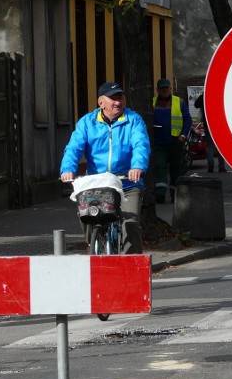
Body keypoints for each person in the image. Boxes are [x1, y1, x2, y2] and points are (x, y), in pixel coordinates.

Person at [60, 81, 151, 254]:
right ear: (101, 102)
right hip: (97, 183)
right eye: (113, 98)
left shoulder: (133, 120)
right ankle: (93, 245)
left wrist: (137, 166)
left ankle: (132, 269)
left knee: (130, 224)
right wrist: (67, 169)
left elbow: (141, 145)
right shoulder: (87, 122)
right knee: (86, 214)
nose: (118, 102)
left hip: (127, 183)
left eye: (120, 98)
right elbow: (74, 147)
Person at [152, 78, 193, 203]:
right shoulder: (152, 103)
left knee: (176, 168)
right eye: (162, 88)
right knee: (160, 167)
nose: (165, 90)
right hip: (158, 142)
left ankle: (175, 193)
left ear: (171, 89)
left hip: (176, 142)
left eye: (167, 88)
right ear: (157, 90)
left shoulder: (179, 102)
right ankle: (160, 194)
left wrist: (183, 135)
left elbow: (188, 120)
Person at [194, 93, 226, 172]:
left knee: (209, 146)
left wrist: (202, 96)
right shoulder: (219, 95)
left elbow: (196, 105)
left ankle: (210, 166)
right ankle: (221, 166)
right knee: (220, 146)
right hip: (219, 123)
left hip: (208, 124)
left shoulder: (204, 96)